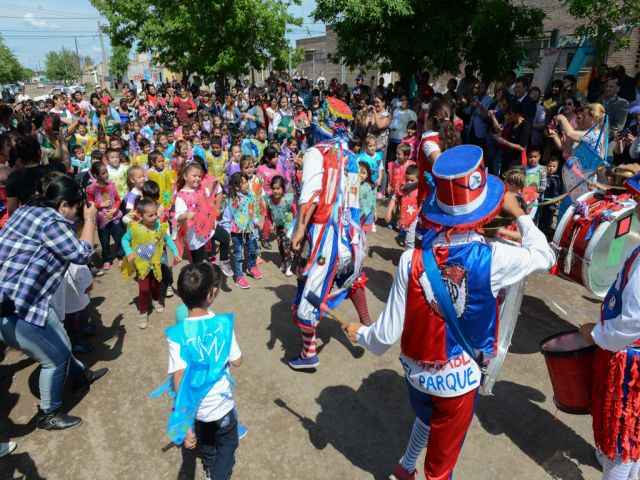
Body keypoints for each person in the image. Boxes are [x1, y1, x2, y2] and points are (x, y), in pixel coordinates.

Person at [345, 145, 555, 480]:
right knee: (441, 470)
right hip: (459, 381)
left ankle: (404, 467)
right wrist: (519, 214)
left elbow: (384, 337)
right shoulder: (496, 258)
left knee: (426, 417)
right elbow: (545, 256)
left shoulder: (408, 260)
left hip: (417, 374)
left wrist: (361, 334)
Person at [0, 175, 109, 430]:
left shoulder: (28, 209)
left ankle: (80, 375)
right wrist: (91, 219)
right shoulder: (53, 223)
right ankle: (48, 414)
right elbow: (83, 254)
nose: (76, 215)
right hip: (16, 306)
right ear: (63, 206)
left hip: (26, 299)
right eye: (76, 208)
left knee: (60, 337)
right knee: (55, 358)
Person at [289, 97, 365, 370]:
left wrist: (298, 231)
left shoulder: (316, 152)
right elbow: (355, 204)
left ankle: (308, 354)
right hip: (351, 238)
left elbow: (309, 197)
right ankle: (365, 324)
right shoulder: (353, 158)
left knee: (309, 289)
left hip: (323, 235)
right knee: (330, 283)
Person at [579, 169, 640, 480]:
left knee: (619, 439)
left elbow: (634, 320)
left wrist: (597, 334)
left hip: (629, 363)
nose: (635, 205)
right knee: (632, 439)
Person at [166, 263, 242, 480]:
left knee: (206, 440)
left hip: (197, 409)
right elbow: (236, 361)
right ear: (211, 294)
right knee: (228, 443)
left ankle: (209, 469)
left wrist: (185, 424)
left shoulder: (177, 334)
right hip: (222, 406)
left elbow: (178, 377)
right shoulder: (222, 325)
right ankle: (218, 475)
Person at [122, 198, 181, 328]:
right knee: (143, 289)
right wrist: (129, 252)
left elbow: (168, 240)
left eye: (155, 214)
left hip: (156, 265)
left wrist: (176, 253)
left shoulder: (160, 227)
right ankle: (143, 312)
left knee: (156, 285)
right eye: (150, 215)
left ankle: (155, 300)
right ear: (140, 216)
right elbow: (125, 240)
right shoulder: (135, 229)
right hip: (141, 266)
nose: (154, 217)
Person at [221, 172, 262, 289]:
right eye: (243, 183)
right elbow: (227, 218)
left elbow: (251, 213)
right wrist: (226, 231)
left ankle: (251, 267)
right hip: (236, 233)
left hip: (250, 230)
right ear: (237, 186)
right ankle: (239, 276)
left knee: (254, 250)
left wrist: (256, 220)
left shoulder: (250, 197)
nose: (247, 185)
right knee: (238, 255)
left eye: (246, 182)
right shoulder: (232, 200)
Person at [264, 175, 297, 276]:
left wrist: (294, 226)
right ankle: (284, 261)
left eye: (278, 188)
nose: (275, 191)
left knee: (286, 245)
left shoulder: (287, 200)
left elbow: (294, 212)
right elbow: (268, 213)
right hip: (278, 225)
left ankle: (289, 265)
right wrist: (269, 224)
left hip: (288, 225)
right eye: (273, 188)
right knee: (280, 246)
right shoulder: (269, 200)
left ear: (283, 188)